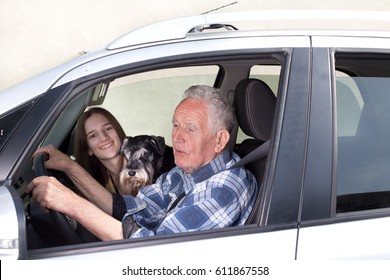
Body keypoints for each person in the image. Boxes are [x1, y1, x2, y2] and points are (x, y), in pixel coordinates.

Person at [27, 85, 258, 240]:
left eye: (191, 128)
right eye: (176, 125)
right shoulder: (185, 172)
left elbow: (152, 250)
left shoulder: (223, 189)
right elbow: (130, 209)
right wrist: (69, 166)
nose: (177, 137)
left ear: (219, 140)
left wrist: (69, 203)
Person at [73, 107, 127, 194]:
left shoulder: (150, 163)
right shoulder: (100, 187)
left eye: (108, 128)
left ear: (118, 131)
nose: (104, 137)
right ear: (88, 149)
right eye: (93, 135)